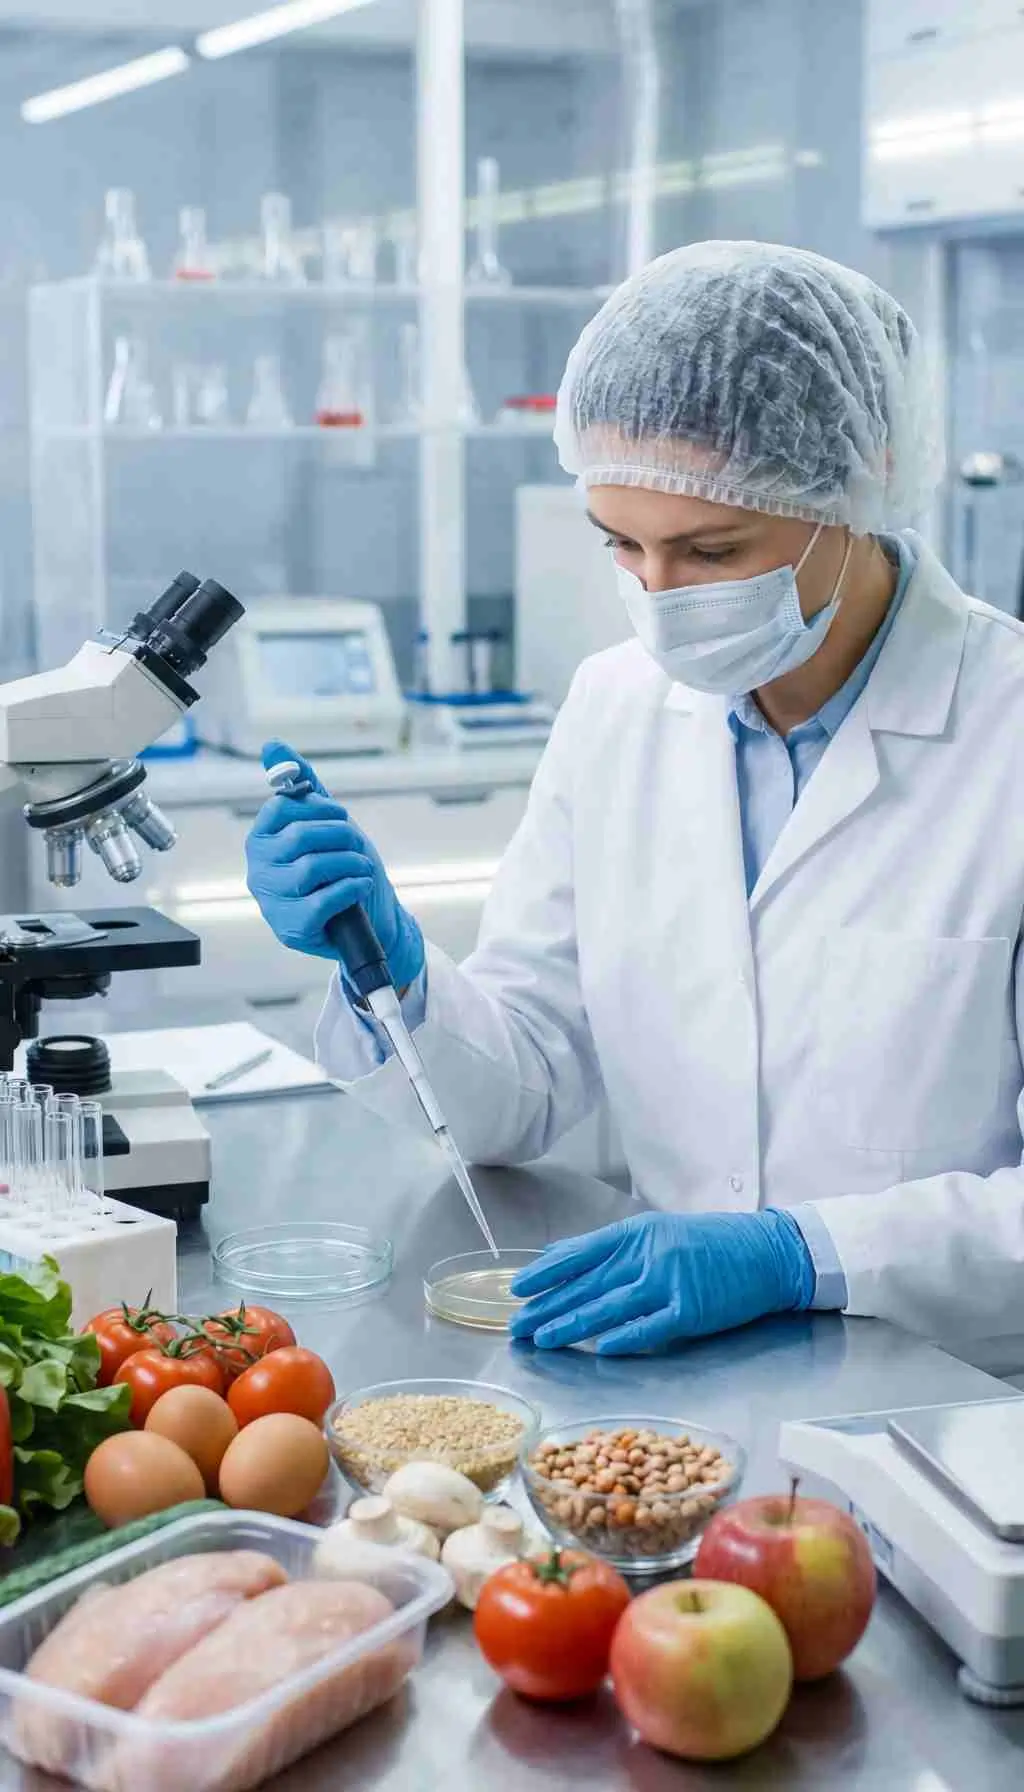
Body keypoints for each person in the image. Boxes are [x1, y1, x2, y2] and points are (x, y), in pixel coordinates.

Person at [246, 240, 1024, 1374]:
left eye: (712, 549)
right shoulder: (615, 706)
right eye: (621, 543)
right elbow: (522, 1088)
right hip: (680, 1386)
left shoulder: (1005, 733)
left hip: (957, 1404)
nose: (657, 596)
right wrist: (397, 975)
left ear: (864, 482)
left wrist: (801, 1253)